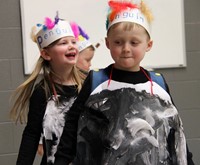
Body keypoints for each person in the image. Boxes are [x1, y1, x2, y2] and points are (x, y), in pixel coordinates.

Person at [54, 1, 195, 164]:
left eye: (134, 43)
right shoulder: (96, 81)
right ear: (108, 43)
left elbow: (176, 132)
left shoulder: (158, 83)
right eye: (118, 42)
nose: (126, 48)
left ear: (148, 45)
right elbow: (72, 126)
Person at [10, 13, 83, 165]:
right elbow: (31, 134)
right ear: (46, 54)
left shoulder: (86, 85)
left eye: (74, 41)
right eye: (63, 43)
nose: (71, 46)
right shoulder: (42, 91)